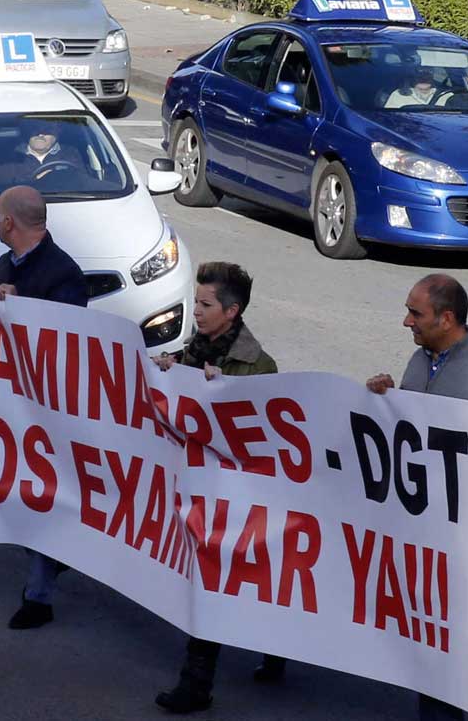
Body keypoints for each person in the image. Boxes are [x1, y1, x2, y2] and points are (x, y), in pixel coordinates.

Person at [367, 275, 468, 721]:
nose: (406, 322)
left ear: (447, 317)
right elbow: (412, 426)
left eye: (415, 314)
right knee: (429, 618)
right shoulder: (420, 360)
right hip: (424, 510)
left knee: (450, 618)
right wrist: (387, 397)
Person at [152, 262, 286, 714]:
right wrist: (169, 374)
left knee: (222, 583)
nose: (196, 312)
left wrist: (224, 395)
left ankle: (197, 685)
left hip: (237, 498)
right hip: (201, 492)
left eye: (205, 305)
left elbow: (261, 439)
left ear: (232, 311)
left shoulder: (255, 365)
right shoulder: (195, 349)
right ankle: (277, 648)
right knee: (229, 583)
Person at [0, 185, 87, 629]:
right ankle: (51, 563)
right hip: (14, 404)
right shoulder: (5, 265)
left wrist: (20, 306)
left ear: (8, 222)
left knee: (44, 496)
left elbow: (63, 339)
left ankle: (38, 597)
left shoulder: (63, 273)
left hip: (49, 409)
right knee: (25, 493)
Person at [0, 120, 87, 188]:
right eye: (35, 129)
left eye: (47, 129)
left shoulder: (70, 153)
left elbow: (83, 183)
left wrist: (55, 176)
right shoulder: (9, 157)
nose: (40, 134)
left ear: (58, 131)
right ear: (28, 131)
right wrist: (33, 181)